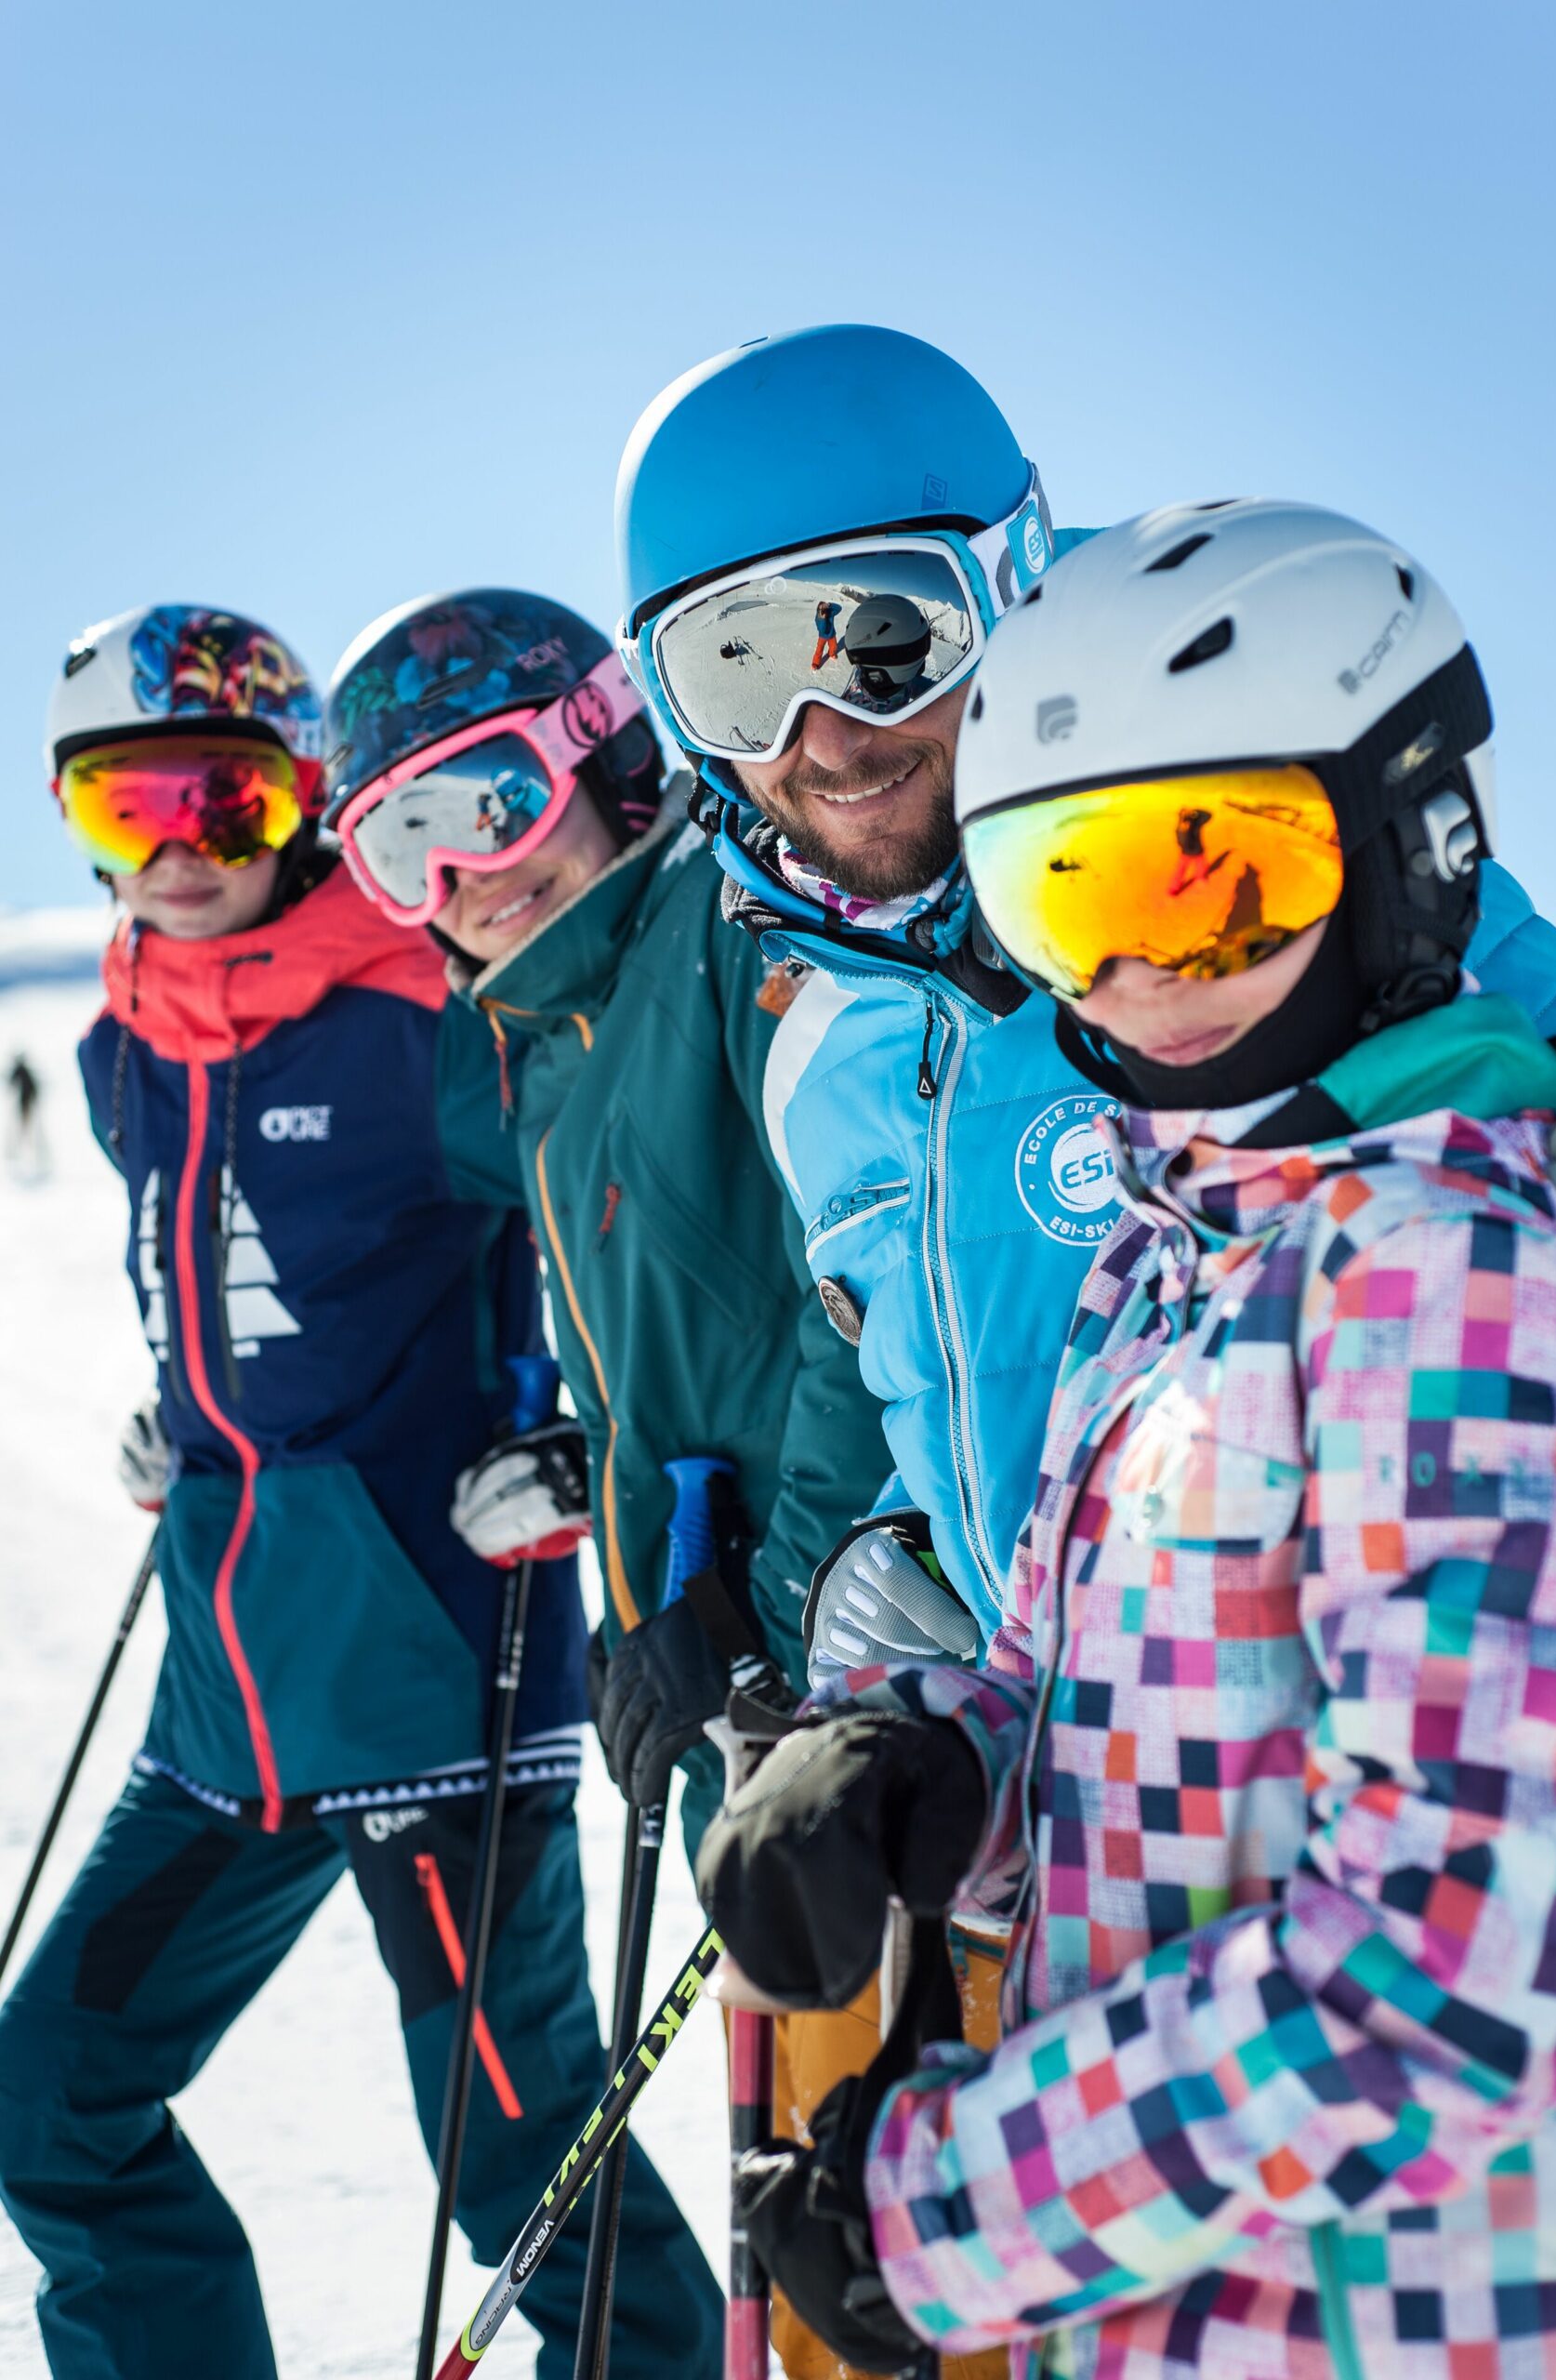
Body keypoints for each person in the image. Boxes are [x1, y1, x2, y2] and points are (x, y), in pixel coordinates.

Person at [697, 501, 1556, 2378]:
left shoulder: (1458, 1284)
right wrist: (932, 1761)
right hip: (1174, 2303)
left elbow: (1464, 1971)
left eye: (1221, 871)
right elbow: (1099, 1699)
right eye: (1067, 895)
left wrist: (938, 2212)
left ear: (1413, 840)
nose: (1141, 971)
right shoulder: (1173, 1254)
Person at [0, 603, 719, 2380]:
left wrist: (574, 1438)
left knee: (519, 2172)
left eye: (223, 806)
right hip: (223, 1701)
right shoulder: (119, 1052)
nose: (173, 853)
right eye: (124, 810)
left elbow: (592, 1211)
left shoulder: (421, 1014)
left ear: (304, 800)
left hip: (426, 1677)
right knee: (50, 2097)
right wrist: (188, 1416)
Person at [323, 585, 894, 2380]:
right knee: (794, 2221)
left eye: (485, 799)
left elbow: (856, 1292)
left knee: (875, 2228)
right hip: (733, 1691)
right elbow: (670, 1335)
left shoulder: (721, 936)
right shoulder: (540, 1043)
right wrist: (615, 1500)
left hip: (874, 1690)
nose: (460, 872)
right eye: (394, 841)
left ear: (601, 749)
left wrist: (754, 1604)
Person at [4, 1053, 47, 1178]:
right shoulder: (25, 1072)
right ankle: (16, 1154)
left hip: (26, 1105)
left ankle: (32, 1154)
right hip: (24, 1105)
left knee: (29, 1131)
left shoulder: (22, 1072)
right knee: (25, 1130)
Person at [811, 598, 840, 670]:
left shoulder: (830, 612)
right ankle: (815, 663)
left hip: (832, 634)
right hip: (822, 636)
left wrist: (829, 605)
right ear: (818, 610)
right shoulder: (818, 618)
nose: (823, 610)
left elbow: (839, 608)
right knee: (819, 649)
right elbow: (822, 630)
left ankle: (831, 654)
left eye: (824, 607)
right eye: (821, 608)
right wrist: (823, 619)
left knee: (834, 646)